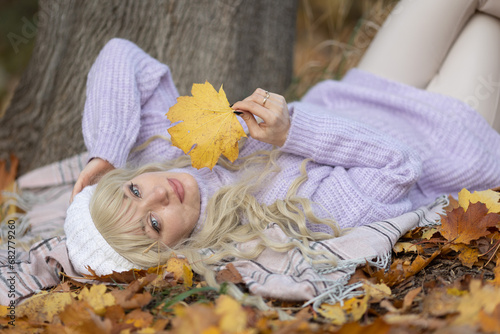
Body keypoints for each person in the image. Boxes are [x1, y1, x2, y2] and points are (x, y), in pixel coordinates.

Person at [64, 0, 500, 291]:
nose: (158, 194)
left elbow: (121, 55)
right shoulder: (274, 220)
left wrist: (105, 151)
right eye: (154, 224)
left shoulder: (158, 154)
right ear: (173, 253)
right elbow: (398, 168)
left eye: (133, 192)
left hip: (364, 91)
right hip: (446, 134)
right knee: (487, 20)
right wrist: (293, 134)